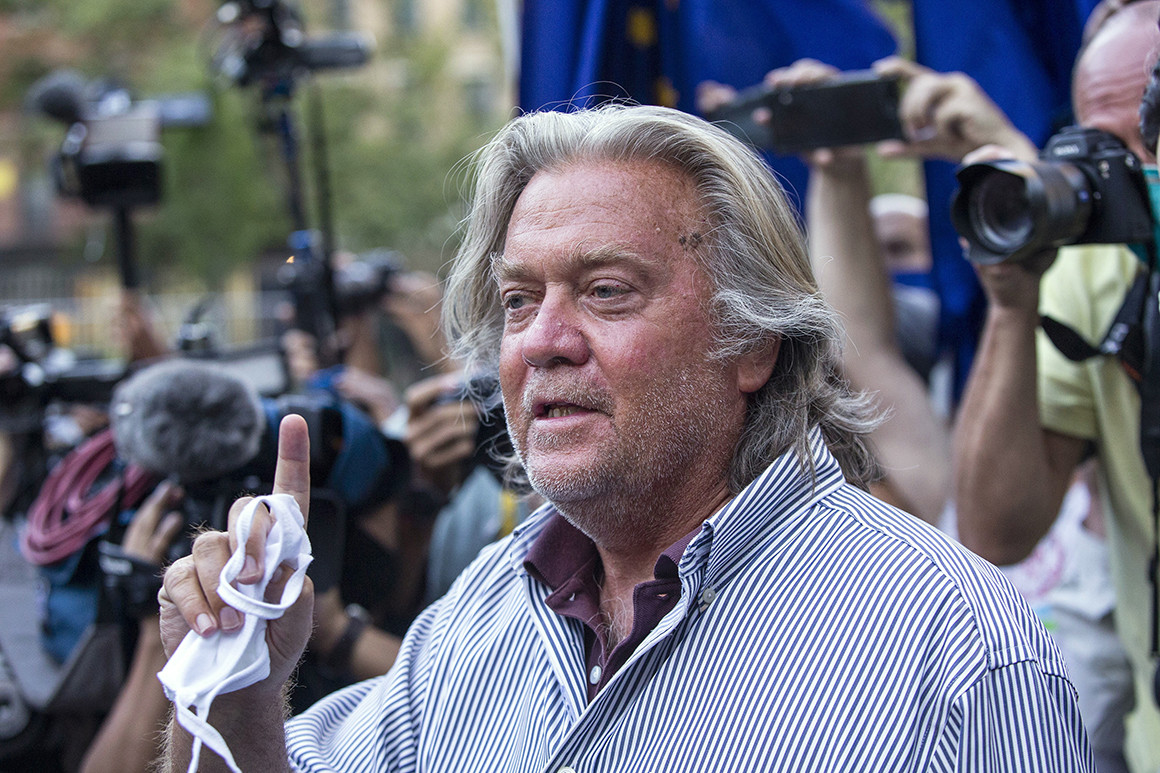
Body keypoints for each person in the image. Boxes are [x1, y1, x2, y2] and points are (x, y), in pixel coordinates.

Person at [158, 104, 1092, 771]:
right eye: (520, 299)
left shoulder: (955, 645)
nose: (543, 342)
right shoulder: (479, 617)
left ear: (751, 341)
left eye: (607, 291)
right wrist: (236, 694)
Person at [953, 2, 1160, 770]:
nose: (1136, 170)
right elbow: (997, 531)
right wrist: (1013, 303)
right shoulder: (1101, 265)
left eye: (1155, 129)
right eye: (1104, 148)